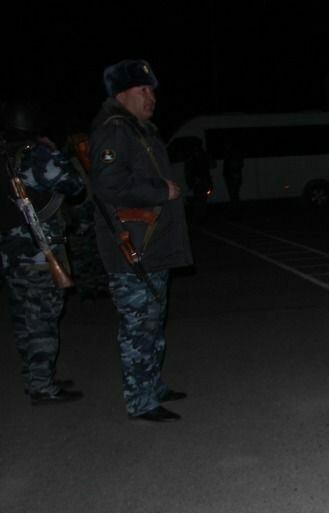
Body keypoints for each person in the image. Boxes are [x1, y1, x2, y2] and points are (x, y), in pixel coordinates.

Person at [89, 59, 193, 422]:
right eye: (143, 90)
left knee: (153, 321)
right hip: (132, 247)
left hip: (151, 246)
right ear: (121, 94)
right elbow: (109, 184)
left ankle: (152, 385)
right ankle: (140, 400)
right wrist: (160, 191)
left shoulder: (138, 129)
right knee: (138, 327)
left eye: (152, 90)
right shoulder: (115, 131)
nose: (151, 97)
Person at [0, 101, 85, 404]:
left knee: (24, 318)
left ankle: (36, 376)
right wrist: (54, 151)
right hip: (38, 253)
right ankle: (42, 386)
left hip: (10, 254)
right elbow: (74, 185)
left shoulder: (5, 156)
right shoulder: (35, 155)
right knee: (42, 319)